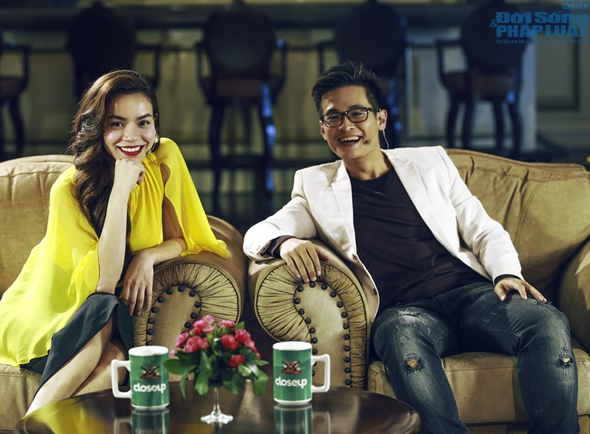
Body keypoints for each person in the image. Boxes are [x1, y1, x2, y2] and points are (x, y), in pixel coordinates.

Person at [243, 62, 579, 434]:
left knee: (546, 320)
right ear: (323, 129)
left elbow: (482, 228)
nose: (346, 125)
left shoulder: (430, 163)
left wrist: (506, 274)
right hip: (405, 312)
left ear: (380, 119)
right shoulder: (315, 186)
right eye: (333, 117)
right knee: (401, 337)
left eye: (357, 113)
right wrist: (287, 241)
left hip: (472, 296)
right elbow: (257, 233)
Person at [0, 70, 229, 415]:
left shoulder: (164, 159)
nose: (132, 136)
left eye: (143, 123)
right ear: (97, 128)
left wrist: (147, 257)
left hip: (103, 316)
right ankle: (34, 422)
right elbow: (105, 283)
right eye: (116, 124)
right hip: (54, 311)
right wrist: (121, 191)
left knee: (117, 358)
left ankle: (37, 422)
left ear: (155, 126)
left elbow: (185, 238)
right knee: (106, 310)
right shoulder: (69, 188)